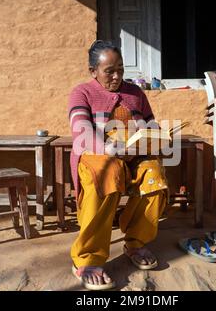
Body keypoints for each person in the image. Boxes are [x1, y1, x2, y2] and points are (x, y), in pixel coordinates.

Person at [68, 40, 169, 290]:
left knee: (154, 175)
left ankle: (136, 241)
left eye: (121, 70)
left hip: (134, 155)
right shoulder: (82, 92)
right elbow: (80, 129)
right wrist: (108, 148)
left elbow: (150, 123)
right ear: (93, 71)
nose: (116, 76)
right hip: (96, 155)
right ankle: (88, 257)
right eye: (109, 71)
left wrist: (153, 136)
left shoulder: (135, 93)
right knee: (107, 173)